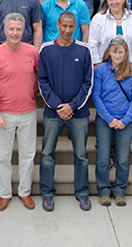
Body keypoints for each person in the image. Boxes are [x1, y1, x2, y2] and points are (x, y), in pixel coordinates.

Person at [38, 12, 93, 212]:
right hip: (53, 112)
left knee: (81, 154)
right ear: (58, 25)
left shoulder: (84, 50)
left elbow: (88, 82)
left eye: (71, 26)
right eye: (64, 26)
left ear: (76, 26)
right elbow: (42, 81)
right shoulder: (46, 49)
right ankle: (47, 192)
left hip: (78, 112)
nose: (68, 30)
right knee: (47, 153)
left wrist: (73, 105)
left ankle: (82, 191)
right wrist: (58, 105)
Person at [0, 13, 39, 211]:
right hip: (5, 113)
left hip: (28, 111)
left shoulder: (32, 51)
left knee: (27, 154)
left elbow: (37, 75)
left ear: (23, 30)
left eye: (18, 29)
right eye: (11, 29)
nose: (15, 32)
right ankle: (5, 193)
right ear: (4, 30)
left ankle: (25, 191)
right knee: (3, 156)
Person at [92, 39, 132, 207]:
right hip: (105, 120)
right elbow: (96, 96)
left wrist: (125, 119)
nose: (118, 55)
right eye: (115, 52)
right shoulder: (101, 70)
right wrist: (109, 118)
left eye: (121, 52)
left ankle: (120, 190)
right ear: (109, 52)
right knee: (103, 157)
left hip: (125, 121)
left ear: (126, 53)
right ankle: (104, 190)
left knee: (123, 157)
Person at [89, 0, 132, 68]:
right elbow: (92, 44)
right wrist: (98, 66)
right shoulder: (98, 19)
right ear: (107, 1)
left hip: (129, 68)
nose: (114, 2)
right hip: (105, 68)